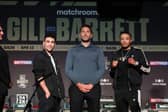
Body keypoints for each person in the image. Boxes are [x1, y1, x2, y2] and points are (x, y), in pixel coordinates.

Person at [65, 24, 105, 112]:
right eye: (83, 31)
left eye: (87, 32)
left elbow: (102, 69)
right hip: (76, 88)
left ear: (91, 35)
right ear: (80, 34)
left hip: (93, 88)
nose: (85, 34)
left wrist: (91, 84)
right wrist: (79, 84)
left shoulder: (98, 50)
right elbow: (68, 70)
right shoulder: (73, 50)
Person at [110, 32, 151, 112]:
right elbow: (112, 74)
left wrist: (135, 63)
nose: (124, 41)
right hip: (119, 91)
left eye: (127, 39)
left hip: (133, 90)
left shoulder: (137, 52)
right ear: (120, 40)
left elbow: (148, 70)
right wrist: (113, 67)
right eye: (122, 39)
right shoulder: (116, 53)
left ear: (130, 40)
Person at [32, 34, 65, 112]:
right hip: (47, 95)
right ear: (43, 43)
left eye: (52, 42)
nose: (50, 44)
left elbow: (57, 76)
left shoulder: (53, 57)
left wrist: (61, 93)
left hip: (56, 95)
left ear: (54, 44)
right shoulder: (39, 57)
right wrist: (47, 92)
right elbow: (39, 76)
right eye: (48, 42)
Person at [0, 25, 12, 111]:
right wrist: (7, 81)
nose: (2, 33)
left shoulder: (1, 50)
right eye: (0, 31)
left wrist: (8, 81)